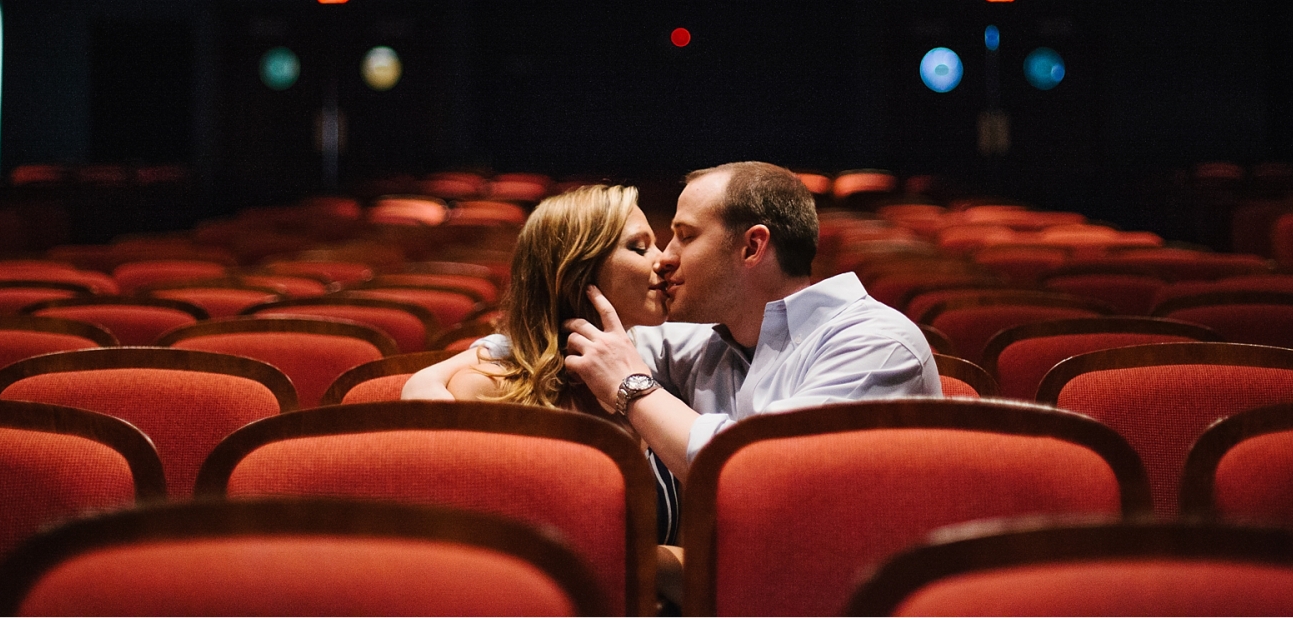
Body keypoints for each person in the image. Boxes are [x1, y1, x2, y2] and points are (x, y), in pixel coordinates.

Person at [563, 161, 941, 484]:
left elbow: (755, 471)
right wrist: (504, 351)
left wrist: (633, 389)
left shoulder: (876, 344)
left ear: (752, 247)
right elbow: (583, 346)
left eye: (685, 237)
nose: (664, 258)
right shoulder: (708, 340)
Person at [400, 184, 684, 547]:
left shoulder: (662, 378)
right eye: (639, 248)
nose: (661, 260)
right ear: (577, 271)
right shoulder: (487, 390)